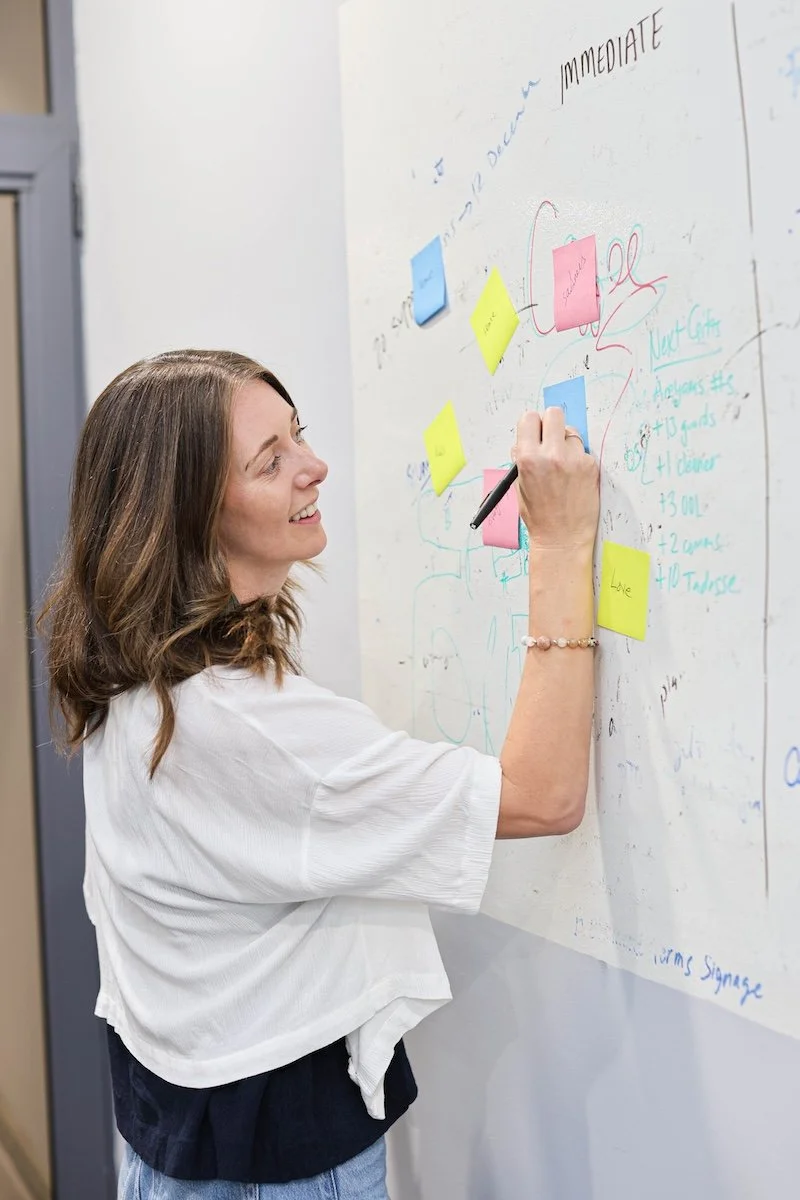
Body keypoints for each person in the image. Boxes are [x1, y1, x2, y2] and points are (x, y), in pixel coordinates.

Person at [38, 349, 599, 1200]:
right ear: (190, 519)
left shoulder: (134, 674)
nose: (315, 467)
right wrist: (562, 541)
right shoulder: (241, 727)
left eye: (296, 435)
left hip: (178, 1131)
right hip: (269, 1163)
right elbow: (545, 793)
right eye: (271, 461)